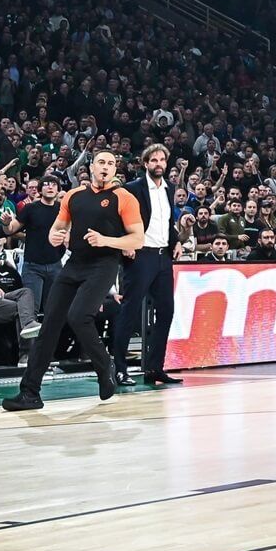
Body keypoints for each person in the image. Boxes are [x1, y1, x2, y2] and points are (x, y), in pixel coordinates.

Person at [3, 151, 145, 411]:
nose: (106, 167)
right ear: (91, 166)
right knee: (49, 326)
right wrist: (55, 237)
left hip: (104, 264)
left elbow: (137, 239)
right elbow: (57, 229)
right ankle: (30, 393)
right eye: (101, 162)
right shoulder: (73, 195)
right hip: (74, 263)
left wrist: (107, 241)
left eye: (111, 164)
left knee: (79, 316)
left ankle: (106, 366)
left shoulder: (124, 198)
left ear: (115, 170)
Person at [111, 144, 180, 388]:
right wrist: (125, 244)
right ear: (145, 163)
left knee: (166, 312)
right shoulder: (133, 189)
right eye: (154, 160)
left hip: (163, 257)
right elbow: (119, 219)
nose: (159, 164)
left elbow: (169, 220)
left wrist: (176, 241)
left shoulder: (170, 188)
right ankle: (119, 369)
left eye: (162, 159)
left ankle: (154, 368)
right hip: (140, 255)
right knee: (129, 311)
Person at [3, 174, 65, 314]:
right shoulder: (31, 208)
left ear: (58, 190)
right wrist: (6, 223)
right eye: (46, 184)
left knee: (53, 309)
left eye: (54, 184)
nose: (50, 187)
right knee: (31, 309)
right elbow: (11, 229)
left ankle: (49, 336)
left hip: (56, 264)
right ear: (39, 190)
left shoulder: (63, 210)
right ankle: (29, 336)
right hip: (33, 266)